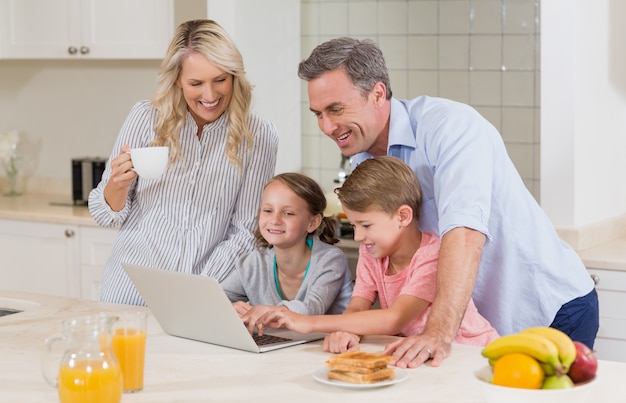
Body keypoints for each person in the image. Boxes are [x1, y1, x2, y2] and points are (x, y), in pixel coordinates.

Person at [296, 37, 598, 368]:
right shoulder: (362, 158)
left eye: (336, 109)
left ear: (378, 94)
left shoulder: (451, 128)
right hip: (471, 326)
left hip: (543, 308)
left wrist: (438, 331)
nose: (327, 126)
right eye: (318, 114)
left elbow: (465, 233)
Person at [89, 19, 279, 305]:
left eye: (220, 80)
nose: (210, 95)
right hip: (128, 292)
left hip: (200, 297)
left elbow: (246, 231)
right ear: (177, 79)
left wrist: (195, 289)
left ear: (234, 76)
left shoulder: (259, 136)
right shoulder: (145, 118)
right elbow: (105, 215)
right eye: (196, 83)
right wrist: (115, 186)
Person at [256, 156, 499, 350]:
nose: (359, 237)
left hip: (471, 353)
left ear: (402, 216)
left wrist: (308, 323)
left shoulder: (432, 255)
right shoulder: (372, 253)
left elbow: (395, 319)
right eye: (354, 226)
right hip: (424, 355)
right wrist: (346, 329)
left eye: (366, 225)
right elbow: (358, 307)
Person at [221, 172, 354, 330]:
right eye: (268, 210)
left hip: (327, 348)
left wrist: (267, 311)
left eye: (288, 213)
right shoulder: (255, 261)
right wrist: (230, 308)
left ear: (312, 222)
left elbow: (311, 310)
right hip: (279, 349)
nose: (275, 220)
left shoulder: (330, 260)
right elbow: (217, 298)